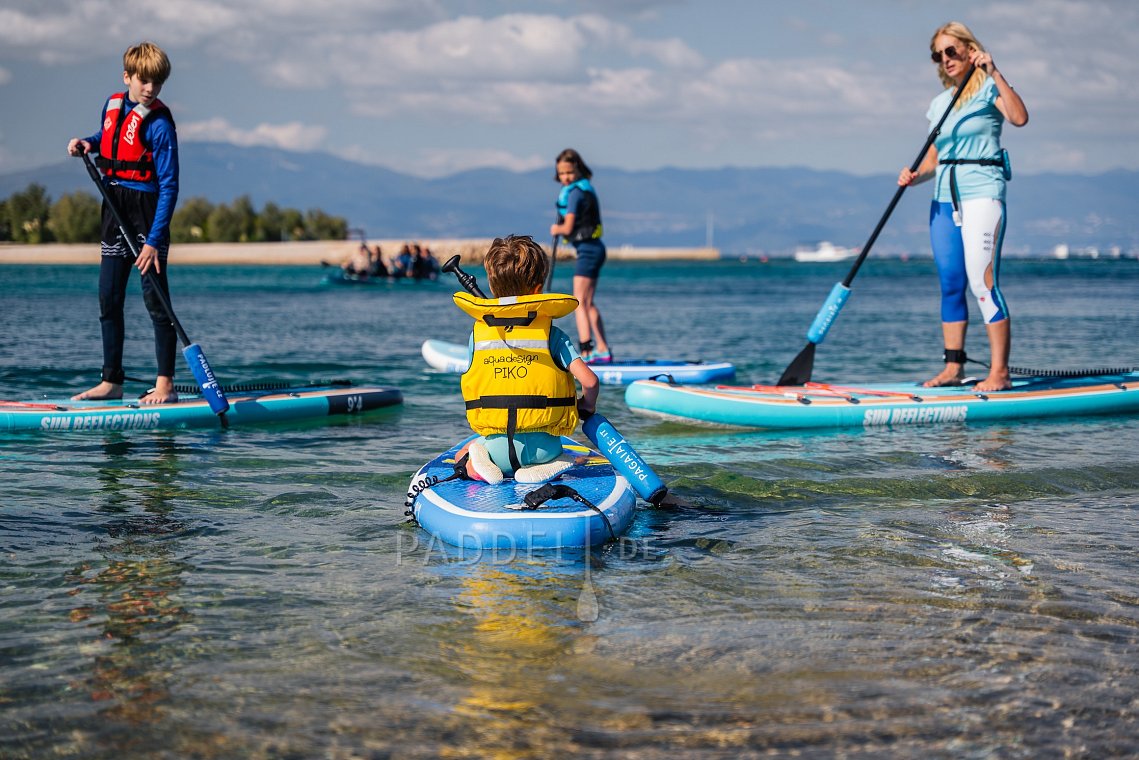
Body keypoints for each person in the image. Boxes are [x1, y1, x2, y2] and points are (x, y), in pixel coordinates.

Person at [898, 22, 1028, 392]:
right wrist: (913, 176)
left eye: (951, 50)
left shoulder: (989, 88)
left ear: (970, 50)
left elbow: (1019, 118)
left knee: (981, 283)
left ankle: (999, 372)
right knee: (951, 285)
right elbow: (933, 159)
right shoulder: (939, 104)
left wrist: (995, 71)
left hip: (982, 193)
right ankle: (953, 368)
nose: (945, 59)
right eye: (937, 54)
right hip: (943, 199)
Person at [66, 41, 181, 403]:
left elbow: (170, 186)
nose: (151, 88)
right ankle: (111, 381)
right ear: (127, 77)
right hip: (114, 205)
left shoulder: (159, 124)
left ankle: (165, 385)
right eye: (145, 80)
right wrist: (87, 143)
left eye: (157, 82)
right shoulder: (112, 105)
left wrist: (154, 241)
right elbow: (106, 138)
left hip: (147, 211)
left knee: (156, 300)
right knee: (109, 297)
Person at [453, 235, 600, 484]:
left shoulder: (478, 336)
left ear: (493, 288)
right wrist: (586, 406)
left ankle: (477, 462)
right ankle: (548, 465)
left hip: (498, 450)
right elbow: (590, 381)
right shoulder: (552, 335)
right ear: (538, 288)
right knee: (569, 456)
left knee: (464, 452)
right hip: (544, 449)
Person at [549, 148, 611, 364]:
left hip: (587, 250)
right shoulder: (584, 189)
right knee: (588, 302)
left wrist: (556, 229)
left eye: (569, 172)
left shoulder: (575, 193)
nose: (565, 177)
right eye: (561, 173)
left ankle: (586, 352)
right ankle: (603, 349)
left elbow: (567, 227)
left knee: (579, 302)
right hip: (595, 248)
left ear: (578, 169)